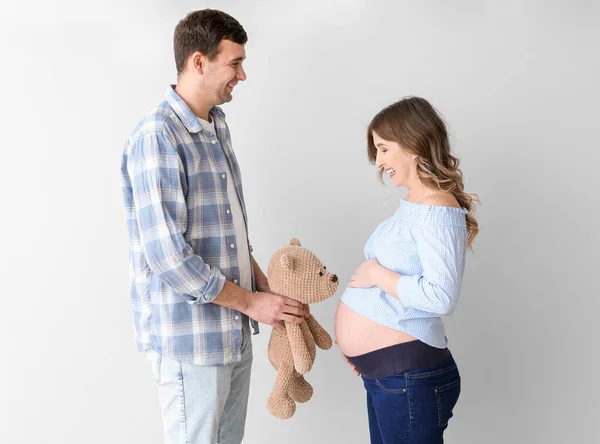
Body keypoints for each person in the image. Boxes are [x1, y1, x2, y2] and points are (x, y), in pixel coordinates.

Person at [120, 9, 307, 444]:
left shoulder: (216, 126)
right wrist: (250, 303)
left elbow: (229, 238)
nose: (242, 75)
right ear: (199, 61)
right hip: (193, 341)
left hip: (233, 331)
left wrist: (266, 293)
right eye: (235, 63)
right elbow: (168, 257)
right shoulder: (158, 136)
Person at [334, 97, 479, 443]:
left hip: (408, 378)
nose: (379, 162)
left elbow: (441, 296)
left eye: (383, 149)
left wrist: (376, 275)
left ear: (413, 143)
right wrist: (362, 352)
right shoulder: (414, 207)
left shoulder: (437, 208)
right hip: (391, 375)